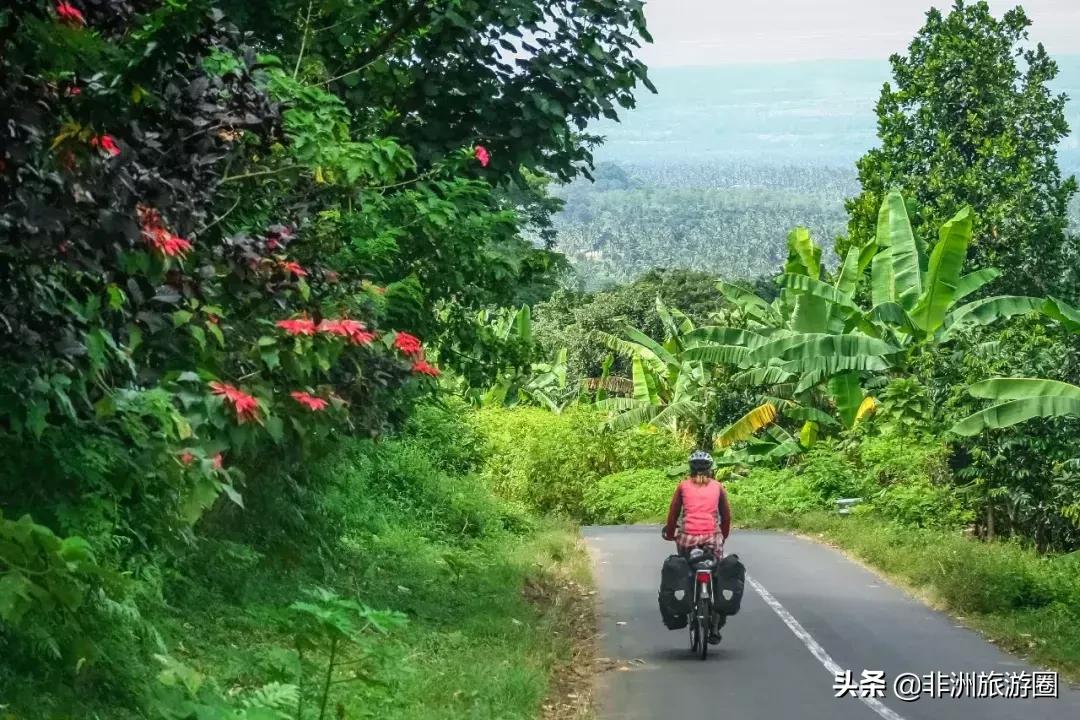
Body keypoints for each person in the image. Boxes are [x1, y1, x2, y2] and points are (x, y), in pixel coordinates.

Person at [661, 450, 732, 643]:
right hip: (712, 539)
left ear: (690, 469)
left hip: (687, 539)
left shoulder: (682, 486)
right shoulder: (718, 487)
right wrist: (722, 536)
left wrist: (669, 533)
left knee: (687, 569)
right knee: (716, 574)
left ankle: (689, 602)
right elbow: (726, 516)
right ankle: (716, 624)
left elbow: (673, 513)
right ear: (710, 469)